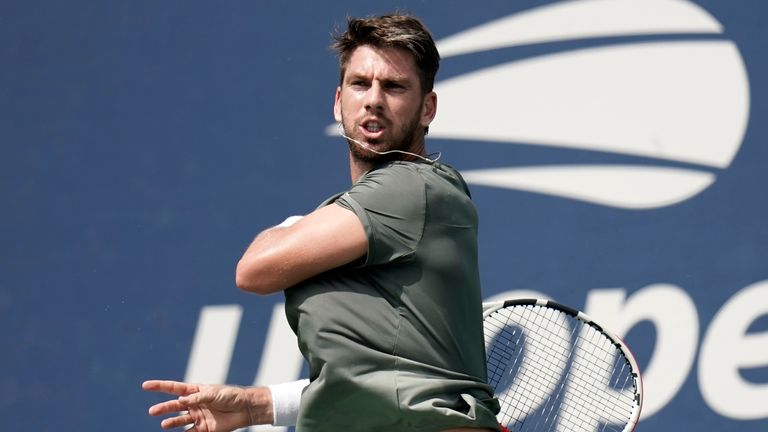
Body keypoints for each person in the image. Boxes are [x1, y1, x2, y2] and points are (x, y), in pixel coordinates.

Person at [144, 13, 501, 432]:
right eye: (360, 83)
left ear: (428, 108)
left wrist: (292, 227)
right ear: (338, 102)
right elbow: (368, 382)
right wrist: (257, 405)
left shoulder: (414, 187)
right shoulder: (366, 222)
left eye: (394, 86)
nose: (373, 99)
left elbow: (255, 269)